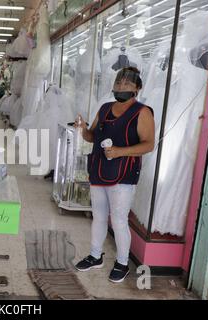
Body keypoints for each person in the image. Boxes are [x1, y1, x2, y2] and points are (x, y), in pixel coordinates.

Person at [74, 67, 155, 283]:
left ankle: (121, 262)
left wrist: (120, 151)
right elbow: (92, 136)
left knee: (118, 220)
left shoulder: (142, 112)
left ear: (138, 88)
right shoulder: (105, 108)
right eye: (119, 84)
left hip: (124, 175)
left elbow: (149, 145)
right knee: (99, 216)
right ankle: (95, 255)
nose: (121, 87)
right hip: (99, 169)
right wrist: (82, 129)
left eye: (127, 84)